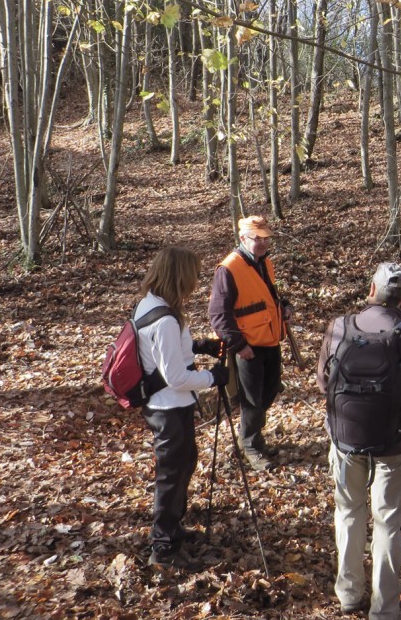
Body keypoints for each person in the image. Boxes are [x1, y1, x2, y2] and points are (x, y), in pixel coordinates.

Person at [316, 262, 401, 619]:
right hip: (393, 445)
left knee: (349, 513)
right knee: (387, 523)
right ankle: (384, 611)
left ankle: (349, 594)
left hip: (344, 440)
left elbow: (324, 383)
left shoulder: (339, 328)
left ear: (371, 291)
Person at [136, 246, 229, 571]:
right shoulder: (163, 319)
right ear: (179, 277)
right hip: (168, 408)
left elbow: (167, 354)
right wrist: (212, 377)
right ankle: (162, 547)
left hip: (170, 405)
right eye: (192, 276)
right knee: (172, 476)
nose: (195, 283)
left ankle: (173, 530)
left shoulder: (154, 305)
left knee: (184, 464)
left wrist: (199, 346)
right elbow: (174, 376)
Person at [209, 215, 292, 471]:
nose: (264, 243)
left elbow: (270, 295)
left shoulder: (264, 263)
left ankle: (254, 438)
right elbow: (218, 316)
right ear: (243, 238)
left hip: (270, 340)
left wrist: (284, 307)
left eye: (266, 238)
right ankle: (251, 446)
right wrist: (239, 346)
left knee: (268, 393)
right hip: (248, 348)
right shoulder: (229, 269)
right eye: (259, 239)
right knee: (252, 400)